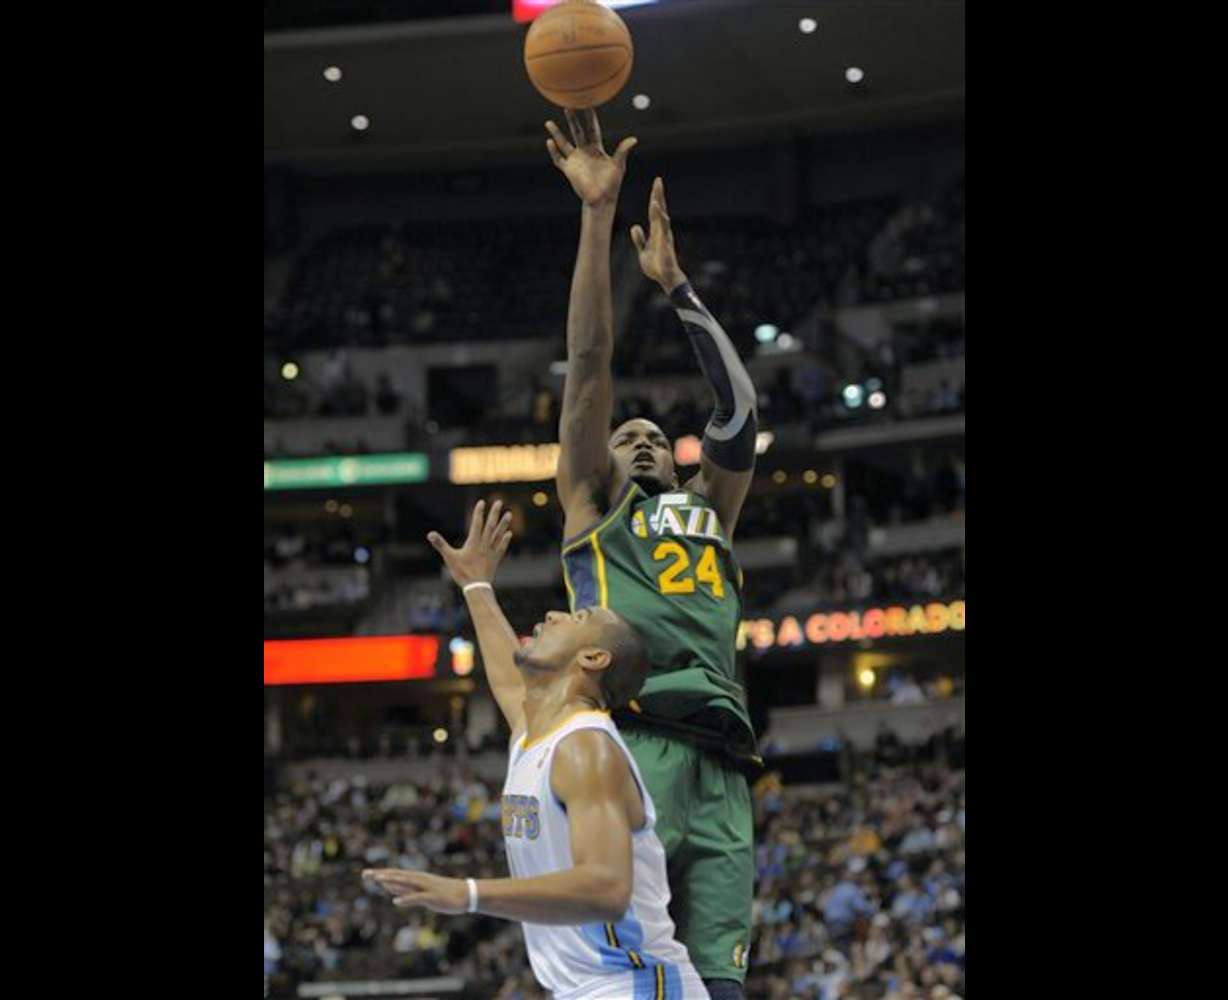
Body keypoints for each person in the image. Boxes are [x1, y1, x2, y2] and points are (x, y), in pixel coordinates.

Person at [544, 108, 760, 999]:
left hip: (725, 767)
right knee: (619, 975)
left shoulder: (709, 509)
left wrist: (679, 289)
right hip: (630, 750)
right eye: (622, 433)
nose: (637, 439)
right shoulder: (592, 508)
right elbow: (590, 360)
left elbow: (740, 416)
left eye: (652, 435)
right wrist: (599, 219)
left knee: (720, 984)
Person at [365, 500, 710, 1000]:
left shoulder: (587, 749)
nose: (553, 613)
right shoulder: (537, 735)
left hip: (635, 985)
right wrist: (477, 585)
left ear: (593, 657)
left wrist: (467, 894)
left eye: (577, 615)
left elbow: (606, 890)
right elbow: (509, 681)